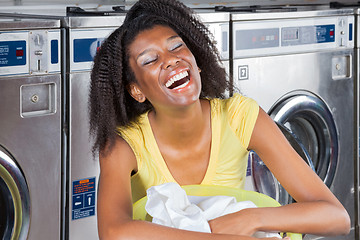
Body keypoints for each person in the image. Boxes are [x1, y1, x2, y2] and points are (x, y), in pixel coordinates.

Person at [89, 0, 350, 239]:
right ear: (137, 91)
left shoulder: (239, 117)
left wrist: (251, 219)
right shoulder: (124, 144)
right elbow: (114, 232)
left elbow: (336, 217)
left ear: (197, 62)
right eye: (150, 60)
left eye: (177, 46)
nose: (171, 60)